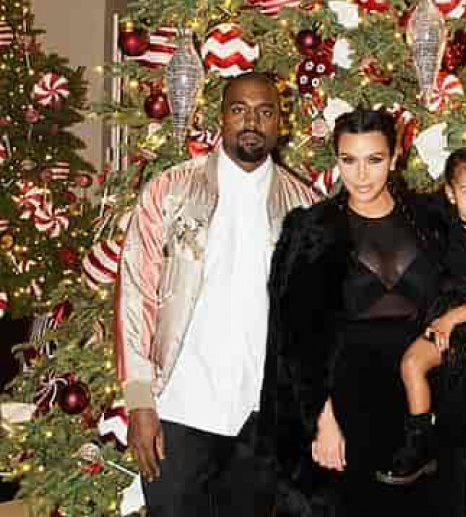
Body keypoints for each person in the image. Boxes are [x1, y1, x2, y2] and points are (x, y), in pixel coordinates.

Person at [114, 72, 319, 517]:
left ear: (280, 122)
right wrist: (140, 401)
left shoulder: (305, 206)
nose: (252, 122)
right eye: (239, 110)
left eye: (265, 112)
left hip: (262, 416)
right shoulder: (170, 191)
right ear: (221, 118)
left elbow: (316, 320)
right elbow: (135, 293)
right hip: (180, 406)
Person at [267, 108, 450, 516]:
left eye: (374, 159)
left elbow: (462, 294)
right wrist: (322, 419)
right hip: (346, 403)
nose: (361, 175)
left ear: (395, 157)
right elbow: (295, 337)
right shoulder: (311, 230)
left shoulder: (432, 221)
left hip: (420, 398)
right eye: (349, 160)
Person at [378, 146, 466, 490]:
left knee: (413, 364)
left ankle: (420, 446)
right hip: (446, 311)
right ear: (451, 194)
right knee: (398, 356)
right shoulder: (448, 222)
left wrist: (450, 320)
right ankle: (420, 437)